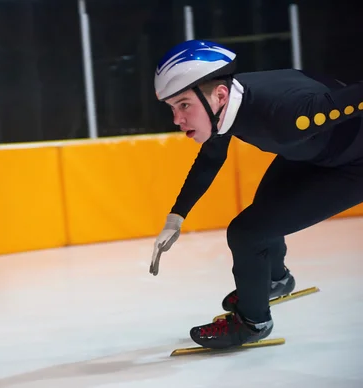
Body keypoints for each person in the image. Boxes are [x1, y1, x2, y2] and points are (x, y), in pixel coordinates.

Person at [148, 39, 363, 349]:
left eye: (184, 105)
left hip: (352, 166)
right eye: (172, 107)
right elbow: (210, 159)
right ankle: (275, 279)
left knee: (248, 232)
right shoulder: (226, 104)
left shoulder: (288, 114)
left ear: (219, 95)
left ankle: (252, 322)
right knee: (264, 212)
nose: (177, 119)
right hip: (311, 153)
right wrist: (176, 216)